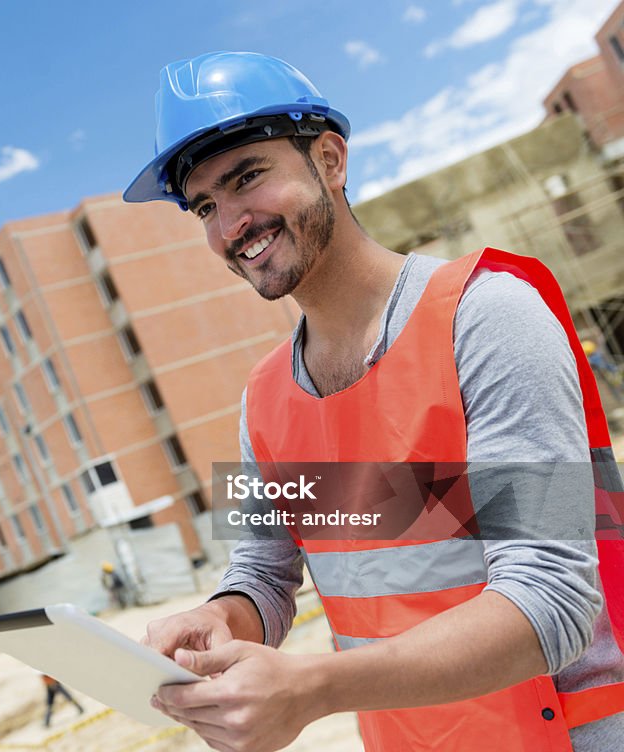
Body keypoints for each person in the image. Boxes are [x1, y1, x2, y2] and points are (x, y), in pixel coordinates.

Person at [124, 51, 624, 751]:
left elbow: (557, 599)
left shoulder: (486, 317)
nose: (231, 223)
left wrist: (314, 687)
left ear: (329, 160)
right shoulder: (261, 401)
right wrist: (221, 618)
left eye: (248, 177)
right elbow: (263, 573)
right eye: (206, 205)